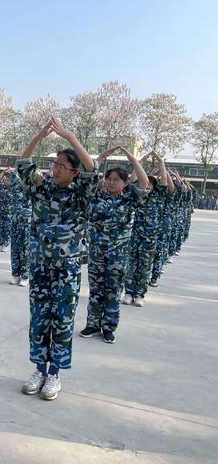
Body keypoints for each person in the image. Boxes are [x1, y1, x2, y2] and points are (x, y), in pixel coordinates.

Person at [18, 118, 98, 400]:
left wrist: (70, 135)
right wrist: (39, 136)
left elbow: (92, 169)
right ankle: (39, 369)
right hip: (40, 268)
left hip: (66, 270)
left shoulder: (81, 196)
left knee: (62, 321)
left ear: (73, 173)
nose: (55, 170)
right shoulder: (41, 189)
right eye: (54, 165)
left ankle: (54, 374)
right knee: (39, 319)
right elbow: (23, 163)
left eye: (61, 167)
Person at [80, 146, 149, 344]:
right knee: (95, 290)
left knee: (113, 291)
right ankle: (92, 324)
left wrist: (133, 159)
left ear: (125, 183)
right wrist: (101, 157)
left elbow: (144, 183)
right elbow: (90, 172)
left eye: (116, 180)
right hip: (97, 253)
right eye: (109, 179)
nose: (111, 182)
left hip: (117, 256)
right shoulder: (96, 196)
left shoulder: (130, 199)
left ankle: (108, 327)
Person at [122, 151, 172, 306]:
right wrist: (141, 161)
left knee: (144, 268)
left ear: (154, 187)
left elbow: (163, 179)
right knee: (131, 266)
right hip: (134, 236)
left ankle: (139, 295)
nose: (148, 185)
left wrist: (160, 161)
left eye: (151, 184)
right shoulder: (136, 196)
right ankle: (129, 293)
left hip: (150, 239)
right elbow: (134, 178)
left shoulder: (159, 197)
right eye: (146, 183)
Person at [8, 169, 31, 286]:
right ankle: (15, 274)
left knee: (25, 250)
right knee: (15, 249)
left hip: (27, 223)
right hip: (15, 222)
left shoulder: (33, 186)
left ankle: (25, 275)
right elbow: (11, 175)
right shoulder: (16, 185)